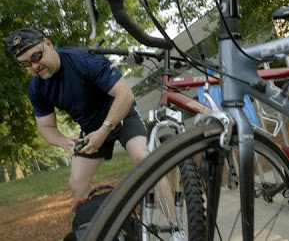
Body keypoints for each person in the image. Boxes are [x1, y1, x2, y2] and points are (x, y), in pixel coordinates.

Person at [6, 29, 187, 241]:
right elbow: (46, 127)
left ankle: (176, 229)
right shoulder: (37, 88)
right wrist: (63, 141)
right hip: (89, 129)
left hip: (120, 116)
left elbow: (125, 95)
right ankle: (87, 232)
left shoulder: (84, 60)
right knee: (76, 183)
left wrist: (104, 130)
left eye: (36, 57)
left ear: (48, 44)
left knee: (143, 158)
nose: (34, 66)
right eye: (25, 64)